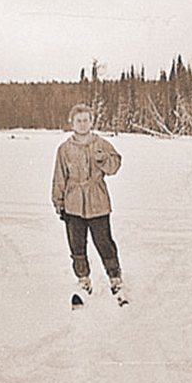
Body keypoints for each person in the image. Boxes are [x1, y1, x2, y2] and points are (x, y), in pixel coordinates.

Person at [52, 103, 125, 300]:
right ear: (72, 123)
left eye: (86, 120)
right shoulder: (64, 149)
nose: (83, 124)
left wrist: (103, 160)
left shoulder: (100, 144)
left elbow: (115, 166)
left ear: (91, 122)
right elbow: (59, 177)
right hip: (73, 202)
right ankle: (83, 279)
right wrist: (58, 202)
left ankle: (115, 278)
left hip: (98, 201)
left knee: (104, 242)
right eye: (79, 120)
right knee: (76, 245)